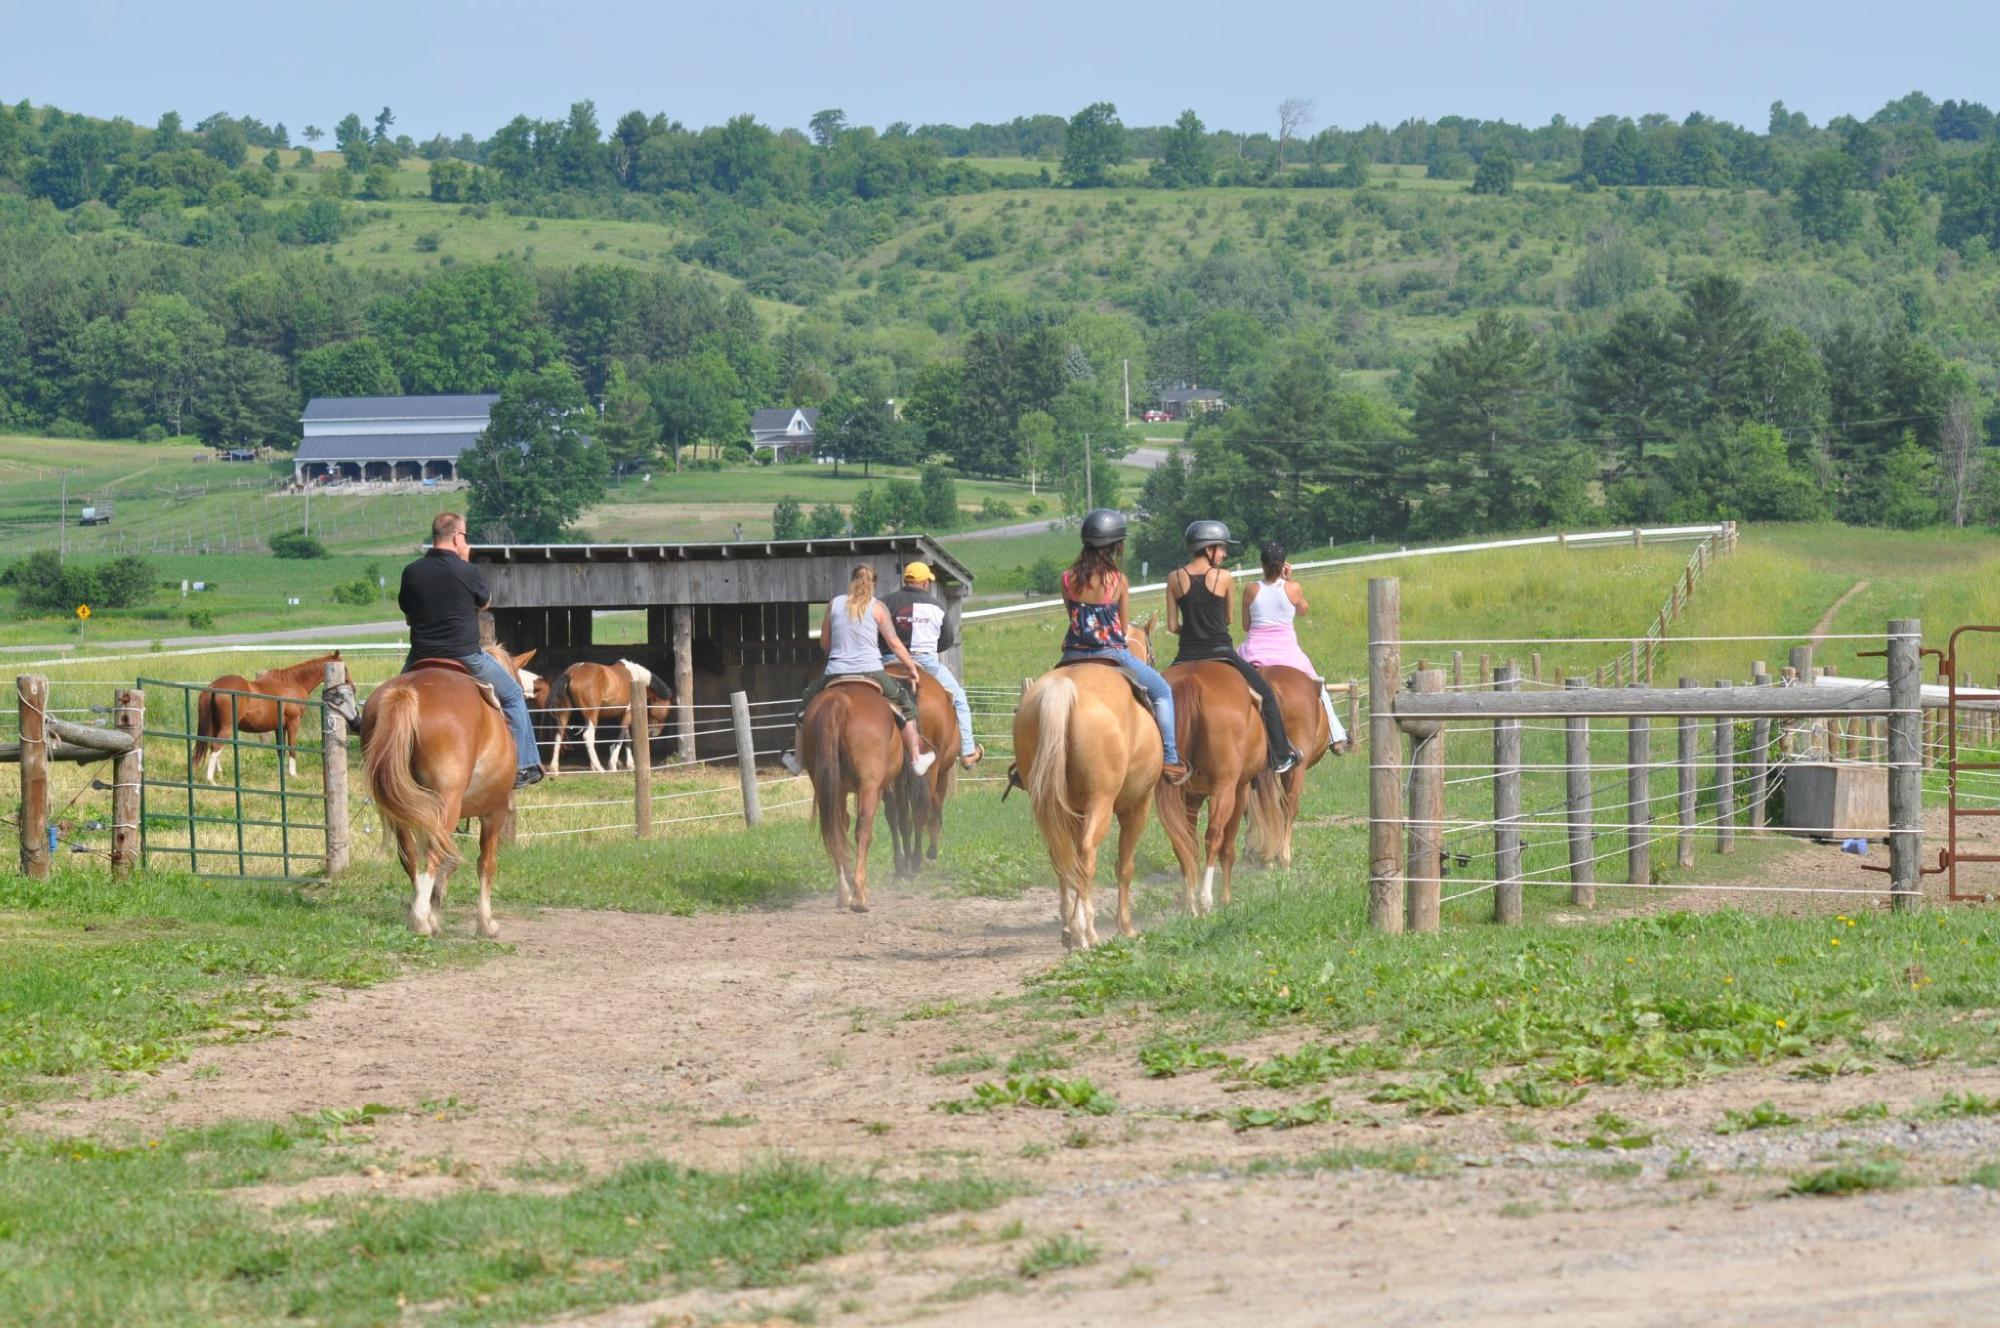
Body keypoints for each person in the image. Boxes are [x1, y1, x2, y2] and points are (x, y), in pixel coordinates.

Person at [398, 512, 544, 788]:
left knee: (389, 700)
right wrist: (463, 562)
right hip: (464, 656)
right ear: (456, 537)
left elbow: (407, 609)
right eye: (465, 536)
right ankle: (525, 765)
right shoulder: (467, 571)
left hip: (421, 656)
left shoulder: (412, 571)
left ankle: (362, 729)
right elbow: (484, 602)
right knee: (513, 695)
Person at [1059, 509, 1188, 783]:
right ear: (1115, 545)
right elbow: (1123, 627)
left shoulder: (1067, 578)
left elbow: (1071, 616)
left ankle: (1024, 764)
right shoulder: (1118, 580)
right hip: (1111, 654)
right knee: (1163, 691)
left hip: (1072, 655)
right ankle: (1170, 758)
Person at [1165, 519, 1299, 774]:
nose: (1225, 554)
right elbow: (1227, 619)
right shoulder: (1224, 577)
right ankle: (1280, 757)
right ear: (1209, 549)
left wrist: (1192, 630)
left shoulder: (1173, 578)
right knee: (1267, 695)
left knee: (1157, 699)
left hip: (1185, 654)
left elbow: (1172, 626)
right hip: (1221, 653)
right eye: (1222, 548)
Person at [781, 564, 936, 777]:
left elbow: (825, 643)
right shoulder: (878, 607)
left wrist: (839, 654)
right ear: (873, 584)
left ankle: (798, 761)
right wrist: (911, 667)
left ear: (851, 581)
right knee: (906, 706)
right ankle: (916, 758)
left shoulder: (834, 604)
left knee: (803, 707)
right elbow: (894, 643)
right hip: (872, 671)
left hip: (836, 670)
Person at [1238, 541, 1349, 751]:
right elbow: (1303, 610)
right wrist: (1288, 580)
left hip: (1254, 653)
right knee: (1319, 687)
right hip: (1287, 653)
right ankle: (1336, 735)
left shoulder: (1251, 590)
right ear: (1283, 565)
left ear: (1261, 564)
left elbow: (1246, 626)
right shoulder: (1293, 588)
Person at [879, 561, 983, 768]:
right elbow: (946, 641)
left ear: (905, 580)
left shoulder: (885, 603)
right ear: (925, 583)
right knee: (960, 699)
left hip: (890, 660)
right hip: (926, 662)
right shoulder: (937, 606)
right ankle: (968, 751)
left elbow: (876, 636)